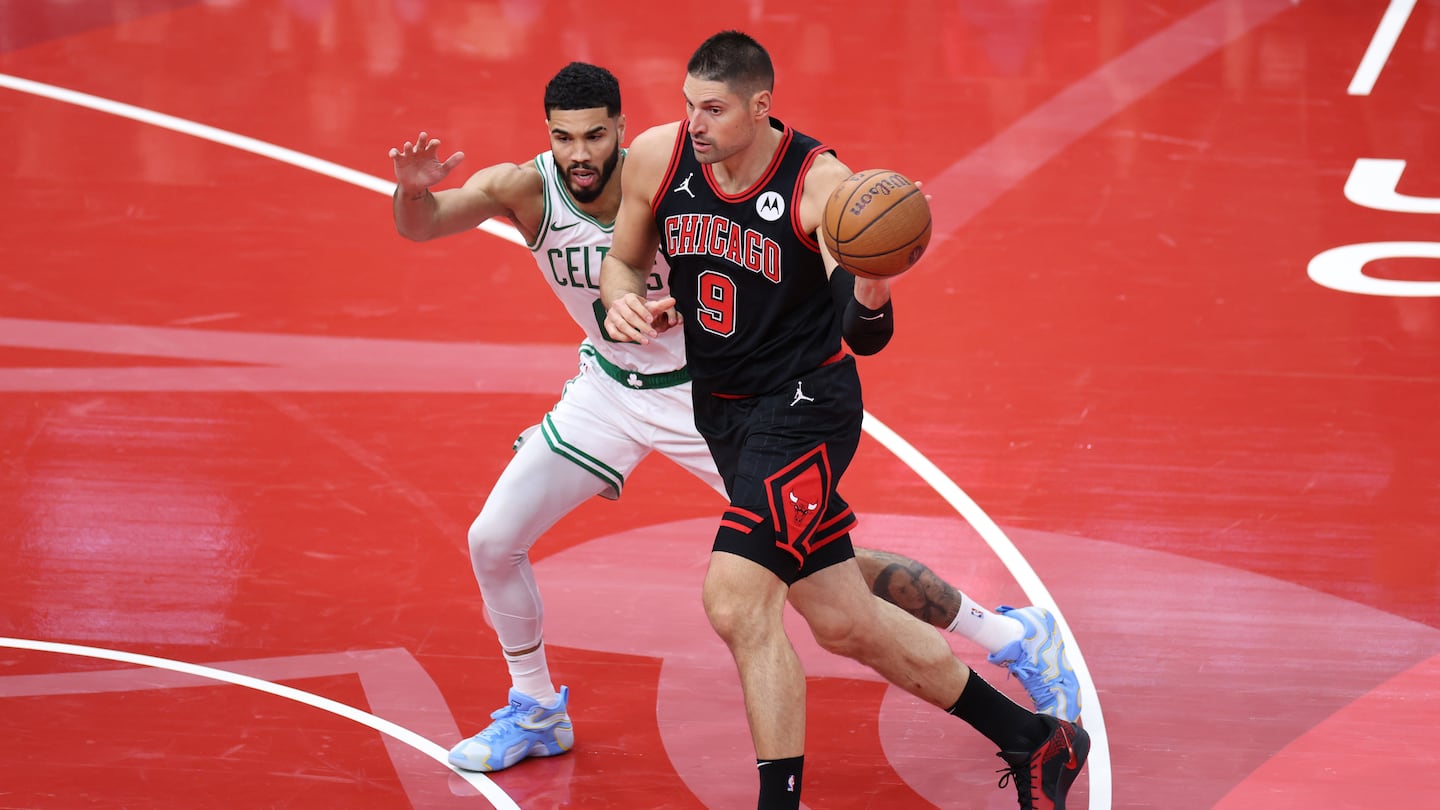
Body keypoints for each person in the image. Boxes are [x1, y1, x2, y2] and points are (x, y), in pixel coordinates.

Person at [390, 61, 1079, 781]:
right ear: (548, 137)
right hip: (609, 392)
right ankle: (535, 709)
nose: (581, 154)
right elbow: (428, 223)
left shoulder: (665, 169)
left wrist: (832, 284)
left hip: (716, 396)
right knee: (492, 539)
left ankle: (1008, 633)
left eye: (596, 135)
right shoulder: (525, 188)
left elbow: (761, 274)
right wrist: (412, 195)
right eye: (566, 138)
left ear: (622, 130)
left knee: (825, 579)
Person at [599, 33, 1088, 810]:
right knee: (844, 623)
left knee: (735, 600)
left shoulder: (822, 189)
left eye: (714, 109)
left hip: (804, 412)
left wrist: (874, 281)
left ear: (761, 107)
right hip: (724, 414)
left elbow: (864, 338)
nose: (695, 122)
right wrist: (619, 297)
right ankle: (1036, 739)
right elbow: (622, 259)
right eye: (688, 103)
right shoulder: (660, 158)